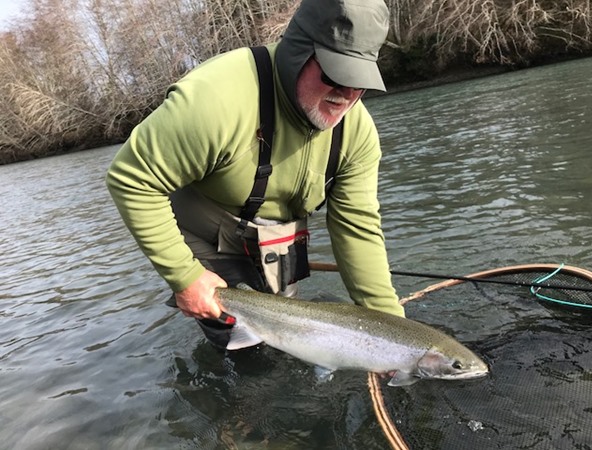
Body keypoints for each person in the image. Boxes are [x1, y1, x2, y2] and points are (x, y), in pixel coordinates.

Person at [106, 0, 405, 347]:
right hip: (208, 236)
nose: (348, 94)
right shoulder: (214, 101)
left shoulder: (358, 134)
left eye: (360, 81)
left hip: (276, 239)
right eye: (336, 74)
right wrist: (185, 277)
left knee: (286, 338)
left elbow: (357, 228)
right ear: (298, 52)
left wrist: (393, 335)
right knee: (243, 352)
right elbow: (131, 178)